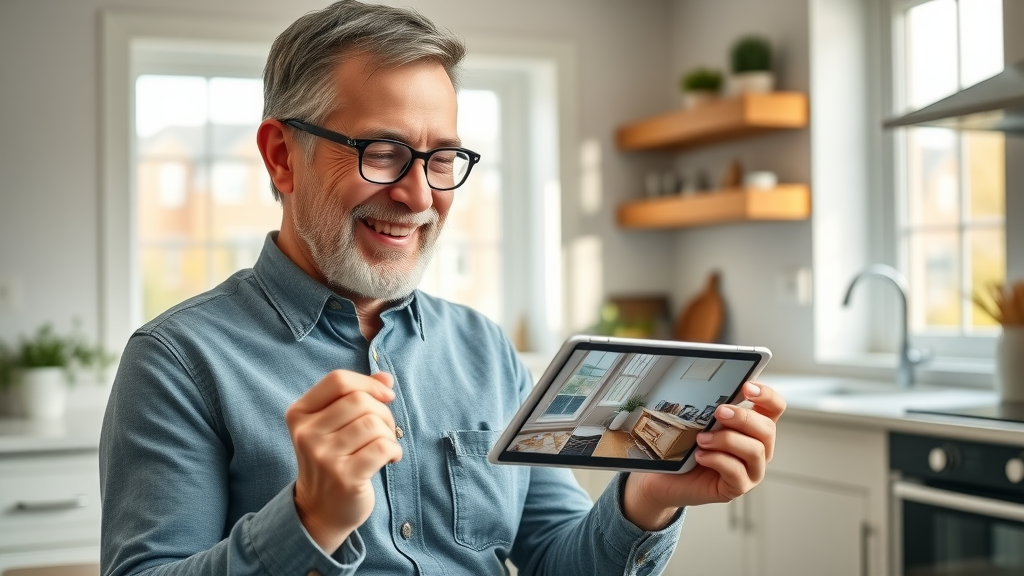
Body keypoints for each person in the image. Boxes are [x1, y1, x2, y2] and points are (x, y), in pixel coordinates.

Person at [98, 1, 786, 575]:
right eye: (382, 152)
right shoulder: (177, 360)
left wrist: (648, 498)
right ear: (283, 157)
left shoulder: (484, 349)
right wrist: (307, 521)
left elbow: (556, 558)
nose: (420, 195)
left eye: (443, 158)